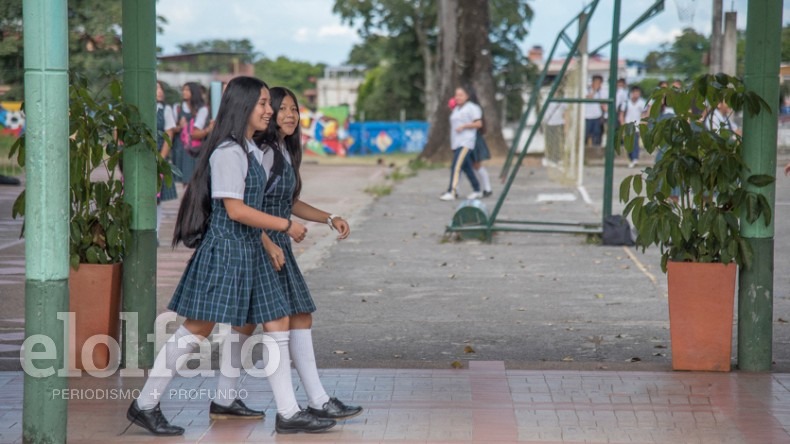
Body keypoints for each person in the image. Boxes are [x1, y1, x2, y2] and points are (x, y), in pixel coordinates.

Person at [126, 76, 336, 436]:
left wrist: (267, 242)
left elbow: (248, 209)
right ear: (242, 107)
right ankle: (145, 404)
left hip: (250, 249)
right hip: (225, 253)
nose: (270, 111)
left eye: (271, 104)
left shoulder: (250, 149)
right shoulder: (228, 152)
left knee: (277, 322)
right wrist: (283, 227)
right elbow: (235, 210)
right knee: (196, 330)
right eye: (264, 104)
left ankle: (288, 413)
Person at [245, 86, 363, 427]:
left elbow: (290, 201)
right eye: (281, 108)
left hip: (280, 245)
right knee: (274, 321)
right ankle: (292, 410)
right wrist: (268, 241)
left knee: (298, 317)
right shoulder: (263, 152)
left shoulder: (283, 149)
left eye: (294, 109)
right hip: (263, 245)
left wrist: (328, 217)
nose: (289, 115)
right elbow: (246, 205)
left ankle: (317, 400)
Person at [440, 85, 483, 201]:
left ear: (467, 96)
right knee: (467, 168)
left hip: (466, 142)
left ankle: (452, 191)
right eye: (456, 95)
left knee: (456, 166)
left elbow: (479, 124)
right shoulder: (456, 109)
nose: (458, 97)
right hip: (456, 142)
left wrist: (464, 126)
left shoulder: (472, 108)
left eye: (461, 95)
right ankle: (477, 189)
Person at [171, 82, 210, 185]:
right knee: (182, 180)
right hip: (180, 147)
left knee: (193, 179)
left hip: (194, 148)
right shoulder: (178, 107)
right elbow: (172, 128)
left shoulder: (201, 109)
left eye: (187, 90)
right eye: (183, 90)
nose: (184, 92)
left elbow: (196, 131)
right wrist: (180, 127)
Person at [155, 81, 178, 242]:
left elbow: (169, 134)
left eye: (161, 88)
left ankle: (154, 232)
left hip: (157, 157)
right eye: (156, 88)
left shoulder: (166, 110)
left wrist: (161, 158)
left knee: (157, 198)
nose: (160, 91)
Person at [618, 86, 647, 168]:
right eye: (634, 92)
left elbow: (644, 114)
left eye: (637, 93)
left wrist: (643, 124)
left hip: (636, 126)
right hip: (627, 125)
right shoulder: (626, 103)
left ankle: (635, 158)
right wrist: (622, 124)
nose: (636, 94)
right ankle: (631, 158)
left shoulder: (641, 103)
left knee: (635, 142)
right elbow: (621, 114)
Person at [584, 75, 606, 149]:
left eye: (600, 83)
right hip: (587, 117)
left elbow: (603, 104)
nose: (599, 85)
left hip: (597, 117)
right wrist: (594, 90)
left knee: (597, 135)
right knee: (586, 135)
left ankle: (596, 151)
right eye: (597, 83)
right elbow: (589, 97)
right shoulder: (586, 90)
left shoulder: (601, 92)